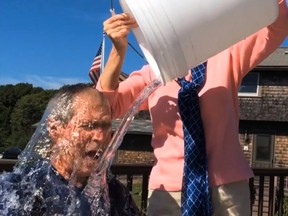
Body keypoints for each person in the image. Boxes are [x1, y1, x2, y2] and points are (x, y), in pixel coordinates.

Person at [97, 1, 288, 215]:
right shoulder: (152, 74)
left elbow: (276, 25)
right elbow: (106, 107)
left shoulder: (227, 55)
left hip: (227, 189)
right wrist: (118, 50)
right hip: (168, 194)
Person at [0, 84, 140, 215]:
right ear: (55, 129)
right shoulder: (22, 190)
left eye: (106, 126)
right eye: (88, 125)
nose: (101, 137)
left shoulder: (116, 193)